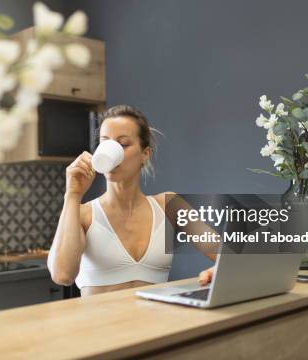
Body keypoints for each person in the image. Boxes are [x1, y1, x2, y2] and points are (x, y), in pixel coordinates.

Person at [47, 105, 216, 296]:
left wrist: (218, 270)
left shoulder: (170, 205)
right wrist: (72, 195)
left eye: (123, 144)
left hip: (159, 323)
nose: (111, 150)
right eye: (105, 142)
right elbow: (62, 275)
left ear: (145, 154)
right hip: (101, 325)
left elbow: (228, 256)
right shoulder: (84, 213)